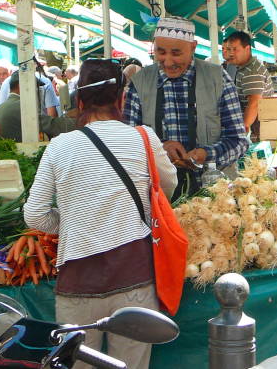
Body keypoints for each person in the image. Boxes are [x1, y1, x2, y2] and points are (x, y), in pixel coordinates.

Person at [24, 59, 177, 369]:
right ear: (121, 98)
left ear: (79, 101)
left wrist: (70, 223)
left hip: (78, 281)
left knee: (79, 364)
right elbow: (168, 185)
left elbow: (35, 215)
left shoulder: (59, 146)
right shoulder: (143, 137)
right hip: (134, 273)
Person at [124, 17, 247, 199]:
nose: (167, 61)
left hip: (215, 198)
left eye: (176, 53)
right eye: (161, 52)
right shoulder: (140, 83)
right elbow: (128, 145)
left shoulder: (218, 79)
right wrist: (159, 149)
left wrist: (207, 154)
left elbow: (238, 141)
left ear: (193, 47)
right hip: (160, 199)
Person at [0, 71, 75, 142]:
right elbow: (52, 125)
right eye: (35, 87)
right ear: (21, 86)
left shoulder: (4, 106)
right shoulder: (22, 107)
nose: (37, 91)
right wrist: (82, 120)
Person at [222, 30, 273, 137]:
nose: (231, 53)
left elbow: (254, 103)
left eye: (235, 49)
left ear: (247, 49)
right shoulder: (244, 68)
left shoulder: (252, 71)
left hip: (257, 126)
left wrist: (242, 129)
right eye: (229, 49)